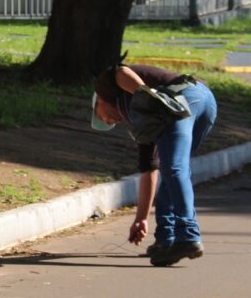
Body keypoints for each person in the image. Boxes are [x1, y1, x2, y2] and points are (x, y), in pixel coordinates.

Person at [91, 61, 218, 266]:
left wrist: (146, 96)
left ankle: (188, 235)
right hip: (204, 101)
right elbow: (149, 171)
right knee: (171, 168)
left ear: (99, 102)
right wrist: (141, 218)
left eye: (101, 117)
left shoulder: (104, 88)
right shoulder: (143, 123)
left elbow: (120, 72)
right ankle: (165, 240)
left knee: (174, 168)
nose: (108, 122)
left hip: (185, 97)